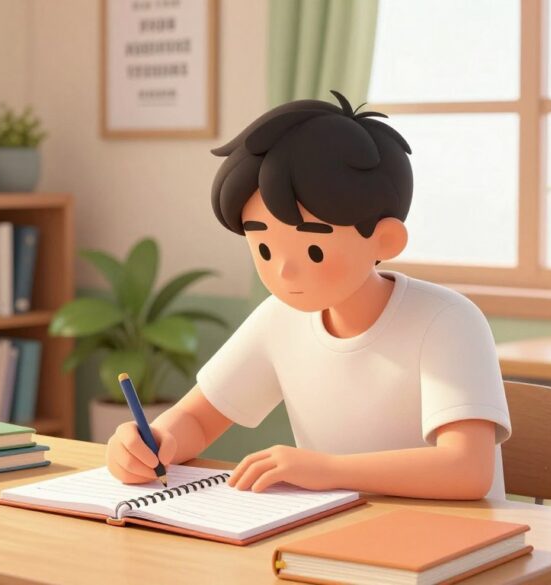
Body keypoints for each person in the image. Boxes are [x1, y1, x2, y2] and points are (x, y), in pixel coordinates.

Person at [105, 91, 511, 499]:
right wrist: (153, 441)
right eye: (264, 248)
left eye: (313, 250)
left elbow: (467, 470)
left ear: (385, 239)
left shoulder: (448, 321)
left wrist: (329, 470)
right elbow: (197, 419)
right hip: (335, 538)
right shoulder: (279, 319)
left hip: (454, 543)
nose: (284, 270)